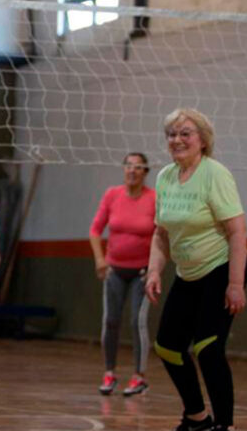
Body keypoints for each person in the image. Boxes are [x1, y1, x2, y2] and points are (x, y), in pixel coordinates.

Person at [146, 108, 247, 431]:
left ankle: (224, 425)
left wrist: (235, 284)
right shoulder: (165, 177)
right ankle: (197, 418)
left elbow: (237, 231)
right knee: (167, 347)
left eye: (185, 133)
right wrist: (154, 271)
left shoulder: (215, 174)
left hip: (221, 268)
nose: (177, 140)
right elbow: (161, 233)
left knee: (208, 347)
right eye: (171, 134)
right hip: (187, 274)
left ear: (202, 140)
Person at [88, 152, 156, 396]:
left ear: (145, 172)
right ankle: (109, 372)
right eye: (128, 166)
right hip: (114, 269)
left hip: (142, 272)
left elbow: (161, 236)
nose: (132, 171)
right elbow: (95, 230)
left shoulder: (154, 198)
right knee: (110, 320)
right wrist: (100, 260)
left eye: (138, 167)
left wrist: (154, 269)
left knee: (137, 322)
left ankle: (139, 376)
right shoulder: (112, 195)